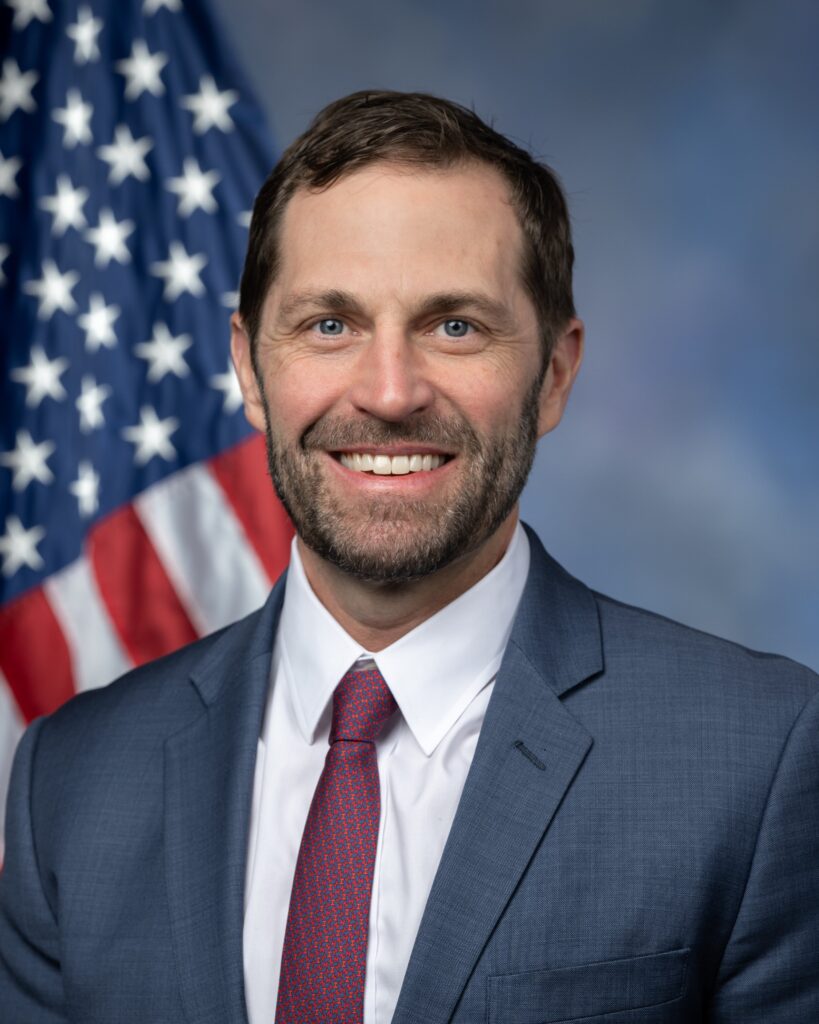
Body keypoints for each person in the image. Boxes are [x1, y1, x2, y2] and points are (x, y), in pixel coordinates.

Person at [1, 90, 817, 1024]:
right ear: (249, 368)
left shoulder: (760, 759)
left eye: (454, 325)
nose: (389, 394)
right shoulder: (71, 779)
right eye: (329, 325)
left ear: (553, 373)